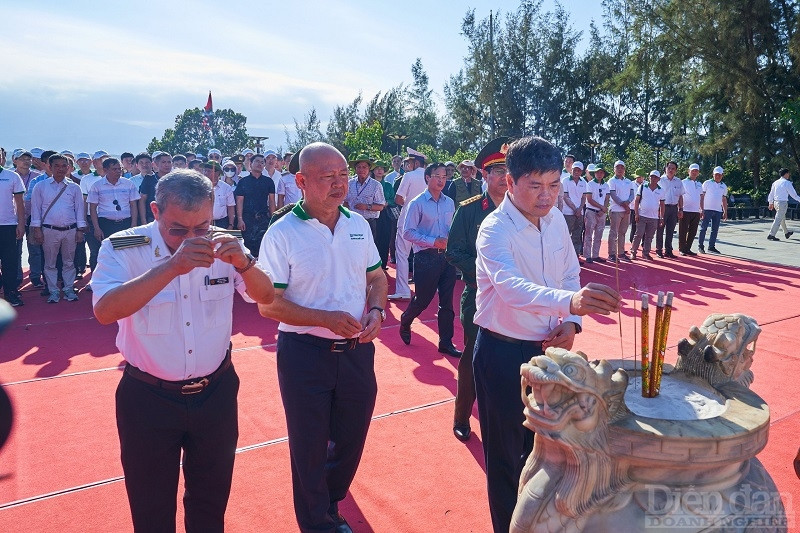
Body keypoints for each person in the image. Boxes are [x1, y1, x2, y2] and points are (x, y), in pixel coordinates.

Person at [91, 169, 273, 532]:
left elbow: (266, 297)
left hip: (215, 394)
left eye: (202, 227)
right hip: (148, 398)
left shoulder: (227, 244)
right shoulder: (123, 246)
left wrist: (246, 263)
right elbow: (104, 310)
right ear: (155, 211)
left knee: (210, 501)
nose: (192, 238)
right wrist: (172, 267)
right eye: (178, 229)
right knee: (151, 506)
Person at [472, 136, 621, 533]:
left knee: (550, 454)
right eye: (536, 186)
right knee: (506, 459)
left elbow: (570, 271)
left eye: (554, 185)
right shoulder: (493, 229)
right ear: (510, 182)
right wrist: (571, 303)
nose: (546, 196)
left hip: (549, 352)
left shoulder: (555, 220)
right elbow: (511, 288)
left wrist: (571, 323)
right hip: (503, 355)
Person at [257, 142, 387, 533]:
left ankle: (328, 503)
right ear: (301, 181)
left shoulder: (357, 225)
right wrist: (323, 319)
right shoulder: (282, 234)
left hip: (356, 351)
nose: (339, 184)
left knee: (351, 438)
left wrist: (378, 310)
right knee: (309, 446)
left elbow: (377, 278)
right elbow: (269, 304)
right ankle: (317, 523)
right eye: (327, 176)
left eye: (343, 175)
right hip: (304, 354)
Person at [445, 137, 508, 442]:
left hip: (514, 300)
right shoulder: (469, 210)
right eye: (497, 170)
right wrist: (486, 272)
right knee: (472, 358)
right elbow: (453, 251)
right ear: (484, 175)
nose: (503, 177)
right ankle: (462, 416)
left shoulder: (520, 209)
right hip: (479, 296)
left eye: (508, 170)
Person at [398, 162, 461, 357]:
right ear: (427, 177)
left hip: (447, 258)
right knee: (423, 300)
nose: (442, 180)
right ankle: (406, 319)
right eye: (438, 176)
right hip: (425, 257)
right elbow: (407, 232)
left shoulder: (449, 202)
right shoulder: (417, 203)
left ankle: (445, 342)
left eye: (445, 176)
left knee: (447, 303)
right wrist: (433, 241)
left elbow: (451, 228)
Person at [30, 154, 86, 303]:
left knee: (69, 262)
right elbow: (36, 210)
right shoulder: (40, 186)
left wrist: (80, 230)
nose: (60, 169)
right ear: (50, 167)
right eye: (57, 166)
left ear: (68, 168)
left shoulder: (75, 187)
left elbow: (79, 210)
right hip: (49, 230)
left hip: (70, 230)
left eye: (64, 166)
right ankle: (53, 291)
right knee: (50, 263)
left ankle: (68, 288)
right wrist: (37, 230)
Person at [389, 150, 428, 301]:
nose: (408, 165)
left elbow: (398, 198)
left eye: (410, 162)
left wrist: (408, 204)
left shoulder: (409, 176)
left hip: (407, 220)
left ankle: (403, 290)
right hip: (424, 220)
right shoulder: (429, 176)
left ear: (416, 163)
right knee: (423, 255)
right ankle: (425, 289)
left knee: (402, 255)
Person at [88, 158, 140, 242]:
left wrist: (133, 225)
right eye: (114, 169)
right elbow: (92, 208)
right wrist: (96, 228)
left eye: (120, 169)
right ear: (105, 170)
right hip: (106, 225)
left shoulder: (129, 184)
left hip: (126, 224)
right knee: (109, 252)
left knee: (126, 252)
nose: (118, 171)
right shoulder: (97, 186)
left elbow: (133, 205)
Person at [235, 153, 275, 256]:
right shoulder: (243, 182)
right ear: (251, 163)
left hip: (263, 219)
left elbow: (271, 201)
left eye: (262, 162)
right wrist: (240, 219)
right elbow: (239, 201)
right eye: (257, 161)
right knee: (247, 249)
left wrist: (273, 220)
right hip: (247, 219)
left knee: (262, 248)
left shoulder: (269, 182)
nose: (260, 164)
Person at [0, 157, 26, 307]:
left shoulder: (12, 176)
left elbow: (20, 202)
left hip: (8, 226)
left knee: (10, 262)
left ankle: (10, 292)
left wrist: (21, 224)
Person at [344, 154, 385, 243]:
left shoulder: (376, 185)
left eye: (364, 167)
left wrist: (367, 207)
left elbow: (381, 206)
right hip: (352, 222)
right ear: (355, 169)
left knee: (368, 249)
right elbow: (345, 202)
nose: (361, 170)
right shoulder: (349, 184)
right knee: (353, 246)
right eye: (359, 167)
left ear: (369, 168)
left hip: (368, 222)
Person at [631, 170, 665, 260]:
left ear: (658, 179)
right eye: (651, 176)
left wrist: (661, 217)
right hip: (642, 215)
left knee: (649, 237)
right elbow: (637, 201)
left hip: (654, 217)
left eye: (655, 177)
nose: (653, 178)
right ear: (649, 177)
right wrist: (636, 213)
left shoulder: (661, 190)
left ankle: (646, 253)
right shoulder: (642, 187)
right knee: (638, 234)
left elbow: (662, 204)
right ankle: (633, 252)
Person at [606, 160, 634, 261]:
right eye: (618, 167)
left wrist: (628, 203)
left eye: (622, 167)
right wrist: (624, 205)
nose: (620, 169)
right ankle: (611, 254)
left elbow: (632, 195)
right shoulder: (611, 181)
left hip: (626, 211)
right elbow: (613, 195)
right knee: (614, 232)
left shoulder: (628, 181)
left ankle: (621, 253)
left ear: (624, 170)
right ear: (614, 169)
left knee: (622, 232)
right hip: (615, 210)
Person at [582, 164, 610, 263]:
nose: (599, 174)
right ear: (594, 173)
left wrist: (603, 209)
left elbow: (607, 198)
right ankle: (587, 255)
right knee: (589, 234)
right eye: (597, 172)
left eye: (601, 172)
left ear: (604, 174)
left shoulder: (606, 185)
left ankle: (596, 255)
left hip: (601, 213)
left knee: (599, 234)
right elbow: (589, 199)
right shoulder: (590, 184)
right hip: (591, 211)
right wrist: (601, 207)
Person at [698, 166, 728, 254]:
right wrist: (701, 209)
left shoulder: (724, 186)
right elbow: (702, 197)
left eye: (719, 175)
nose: (718, 176)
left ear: (722, 175)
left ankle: (711, 246)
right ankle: (700, 246)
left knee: (715, 229)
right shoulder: (707, 183)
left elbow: (724, 199)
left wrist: (725, 211)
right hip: (707, 209)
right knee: (703, 228)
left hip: (718, 210)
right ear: (713, 174)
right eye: (716, 174)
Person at [373, 160, 397, 269]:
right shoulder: (370, 184)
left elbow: (393, 199)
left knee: (385, 238)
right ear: (373, 170)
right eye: (377, 168)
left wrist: (387, 202)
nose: (379, 170)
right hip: (372, 213)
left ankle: (383, 263)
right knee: (374, 238)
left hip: (385, 214)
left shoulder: (387, 185)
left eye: (381, 168)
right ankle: (373, 264)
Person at [655, 161, 683, 258]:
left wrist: (681, 209)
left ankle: (668, 250)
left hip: (674, 208)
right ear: (665, 169)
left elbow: (680, 196)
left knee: (670, 230)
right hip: (662, 207)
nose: (671, 170)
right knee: (660, 229)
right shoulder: (660, 180)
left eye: (673, 168)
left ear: (676, 170)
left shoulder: (679, 181)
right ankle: (659, 250)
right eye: (669, 168)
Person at [561, 161, 586, 259]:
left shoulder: (583, 182)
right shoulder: (565, 180)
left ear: (581, 171)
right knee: (566, 235)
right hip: (567, 212)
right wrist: (575, 209)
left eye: (578, 170)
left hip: (579, 213)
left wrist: (579, 210)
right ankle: (564, 258)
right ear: (571, 170)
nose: (576, 172)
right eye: (575, 170)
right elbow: (565, 197)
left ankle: (575, 257)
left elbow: (584, 197)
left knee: (577, 235)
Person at [139, 152, 172, 224]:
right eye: (163, 162)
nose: (167, 165)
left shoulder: (176, 179)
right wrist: (143, 220)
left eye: (169, 162)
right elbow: (142, 200)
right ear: (156, 164)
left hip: (172, 217)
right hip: (152, 218)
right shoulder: (149, 179)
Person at [767, 168, 799, 241]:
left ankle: (786, 233)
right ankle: (771, 234)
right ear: (786, 174)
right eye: (788, 173)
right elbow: (794, 195)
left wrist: (770, 203)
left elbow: (771, 193)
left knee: (782, 219)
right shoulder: (787, 183)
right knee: (778, 219)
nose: (789, 174)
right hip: (782, 203)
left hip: (776, 202)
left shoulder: (775, 182)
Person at [679, 163, 703, 255]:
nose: (694, 172)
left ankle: (688, 248)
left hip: (696, 211)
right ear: (689, 171)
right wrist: (680, 208)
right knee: (683, 230)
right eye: (693, 171)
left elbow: (701, 197)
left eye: (696, 171)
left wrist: (702, 209)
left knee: (693, 231)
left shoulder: (699, 184)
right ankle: (682, 248)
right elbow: (680, 196)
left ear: (698, 173)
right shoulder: (683, 182)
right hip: (685, 210)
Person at [203, 161, 235, 229]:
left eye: (208, 171)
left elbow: (231, 207)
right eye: (205, 171)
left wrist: (231, 225)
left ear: (217, 173)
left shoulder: (226, 188)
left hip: (222, 223)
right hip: (203, 223)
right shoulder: (199, 187)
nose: (205, 173)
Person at [629, 168, 646, 243]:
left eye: (641, 176)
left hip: (644, 209)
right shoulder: (631, 184)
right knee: (634, 226)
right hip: (633, 208)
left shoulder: (647, 184)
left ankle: (644, 243)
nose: (639, 178)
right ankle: (632, 242)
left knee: (644, 227)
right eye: (638, 176)